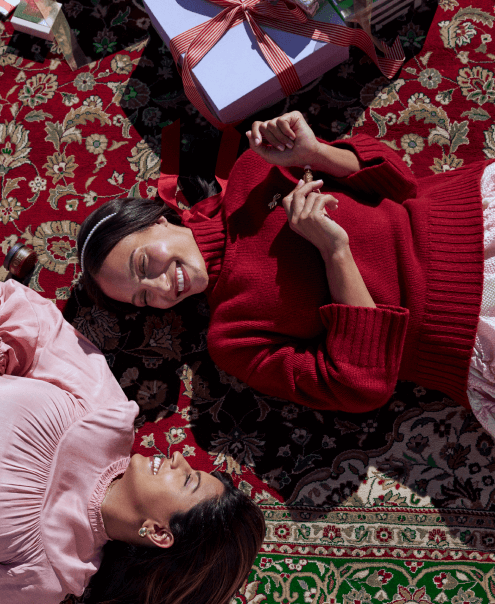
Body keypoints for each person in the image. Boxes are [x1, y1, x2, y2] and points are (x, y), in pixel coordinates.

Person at [78, 110, 495, 435]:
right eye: (144, 297)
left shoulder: (252, 172)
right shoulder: (233, 338)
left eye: (142, 265)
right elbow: (359, 386)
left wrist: (315, 154)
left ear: (160, 219)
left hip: (468, 215)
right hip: (463, 328)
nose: (160, 287)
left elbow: (401, 182)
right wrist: (334, 252)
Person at [0, 278, 265, 604]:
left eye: (188, 482)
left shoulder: (49, 571)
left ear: (158, 532)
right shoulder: (105, 413)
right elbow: (28, 316)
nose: (179, 458)